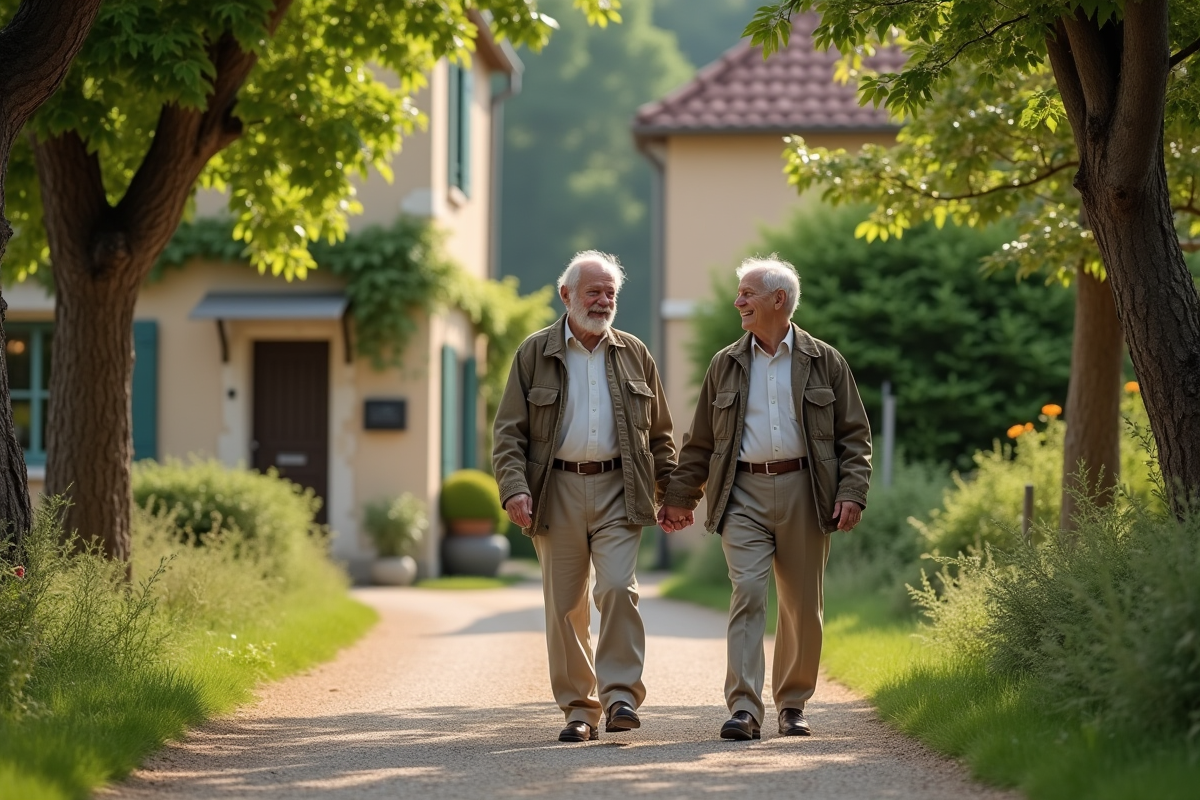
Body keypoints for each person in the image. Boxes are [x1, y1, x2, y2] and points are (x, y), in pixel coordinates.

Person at [660, 256, 871, 741]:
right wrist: (679, 497)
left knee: (801, 604)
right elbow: (701, 442)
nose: (738, 302)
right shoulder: (726, 364)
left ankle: (792, 704)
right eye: (739, 293)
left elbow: (854, 437)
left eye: (747, 294)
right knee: (748, 593)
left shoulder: (826, 361)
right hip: (742, 492)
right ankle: (744, 708)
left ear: (779, 300)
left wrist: (852, 491)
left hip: (807, 489)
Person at [493, 250, 676, 743]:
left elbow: (660, 434)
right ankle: (579, 708)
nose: (602, 301)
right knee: (566, 604)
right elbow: (509, 433)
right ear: (566, 295)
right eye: (593, 291)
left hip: (622, 488)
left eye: (610, 293)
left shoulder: (636, 352)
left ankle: (619, 696)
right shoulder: (534, 353)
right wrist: (514, 488)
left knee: (618, 587)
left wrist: (673, 492)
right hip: (557, 490)